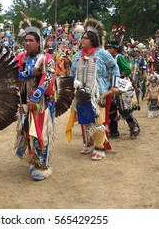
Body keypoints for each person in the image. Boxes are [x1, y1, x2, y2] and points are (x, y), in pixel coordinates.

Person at [65, 18, 120, 161]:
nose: (82, 40)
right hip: (82, 92)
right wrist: (72, 87)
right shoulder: (77, 56)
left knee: (98, 120)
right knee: (85, 119)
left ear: (93, 40)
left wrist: (114, 85)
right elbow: (72, 74)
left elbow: (114, 67)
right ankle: (88, 143)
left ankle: (99, 147)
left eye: (85, 38)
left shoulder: (102, 54)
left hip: (99, 93)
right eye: (82, 37)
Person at [14, 18, 56, 181]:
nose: (27, 43)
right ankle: (33, 159)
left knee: (40, 133)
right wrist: (29, 73)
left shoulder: (47, 59)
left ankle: (41, 165)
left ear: (39, 43)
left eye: (31, 40)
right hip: (24, 101)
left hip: (42, 103)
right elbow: (13, 75)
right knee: (27, 132)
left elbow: (48, 78)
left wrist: (35, 97)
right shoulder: (21, 59)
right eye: (25, 40)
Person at [105, 39, 140, 139]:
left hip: (121, 87)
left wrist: (118, 77)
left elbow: (128, 69)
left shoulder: (118, 57)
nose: (108, 50)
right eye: (108, 48)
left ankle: (133, 130)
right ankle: (113, 131)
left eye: (110, 48)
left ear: (115, 49)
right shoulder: (107, 58)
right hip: (110, 87)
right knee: (111, 109)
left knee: (125, 109)